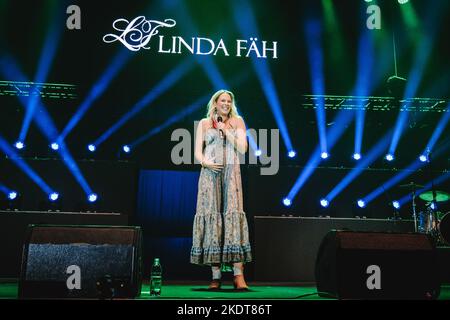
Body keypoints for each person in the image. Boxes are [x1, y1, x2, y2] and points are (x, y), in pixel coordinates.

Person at [190, 89, 252, 290]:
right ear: (215, 103)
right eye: (222, 100)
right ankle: (215, 276)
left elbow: (243, 148)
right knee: (212, 217)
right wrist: (206, 163)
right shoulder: (204, 123)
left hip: (231, 174)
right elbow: (197, 153)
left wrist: (226, 130)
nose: (225, 103)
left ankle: (237, 275)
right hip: (210, 174)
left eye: (229, 101)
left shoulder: (238, 121)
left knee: (232, 215)